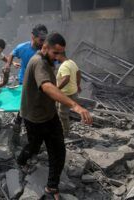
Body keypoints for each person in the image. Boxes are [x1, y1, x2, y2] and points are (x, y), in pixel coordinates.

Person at [17, 32, 92, 200]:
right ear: (44, 48)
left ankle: (51, 187)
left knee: (58, 151)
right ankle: (21, 160)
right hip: (34, 118)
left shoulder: (49, 60)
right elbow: (46, 86)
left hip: (50, 115)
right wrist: (75, 105)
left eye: (61, 53)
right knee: (34, 147)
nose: (58, 58)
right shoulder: (39, 62)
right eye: (55, 53)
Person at [5, 24, 48, 133]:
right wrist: (8, 66)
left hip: (40, 82)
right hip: (24, 80)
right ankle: (18, 121)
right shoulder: (22, 47)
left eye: (45, 39)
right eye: (41, 39)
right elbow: (11, 54)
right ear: (33, 36)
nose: (43, 42)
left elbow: (54, 64)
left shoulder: (45, 51)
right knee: (24, 103)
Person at [56, 52, 82, 137]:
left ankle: (65, 133)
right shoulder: (71, 62)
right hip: (72, 92)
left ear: (60, 55)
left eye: (56, 57)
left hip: (66, 94)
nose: (56, 59)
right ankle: (59, 127)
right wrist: (78, 85)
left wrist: (56, 89)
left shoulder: (64, 66)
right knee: (59, 110)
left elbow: (66, 78)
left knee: (63, 114)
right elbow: (78, 73)